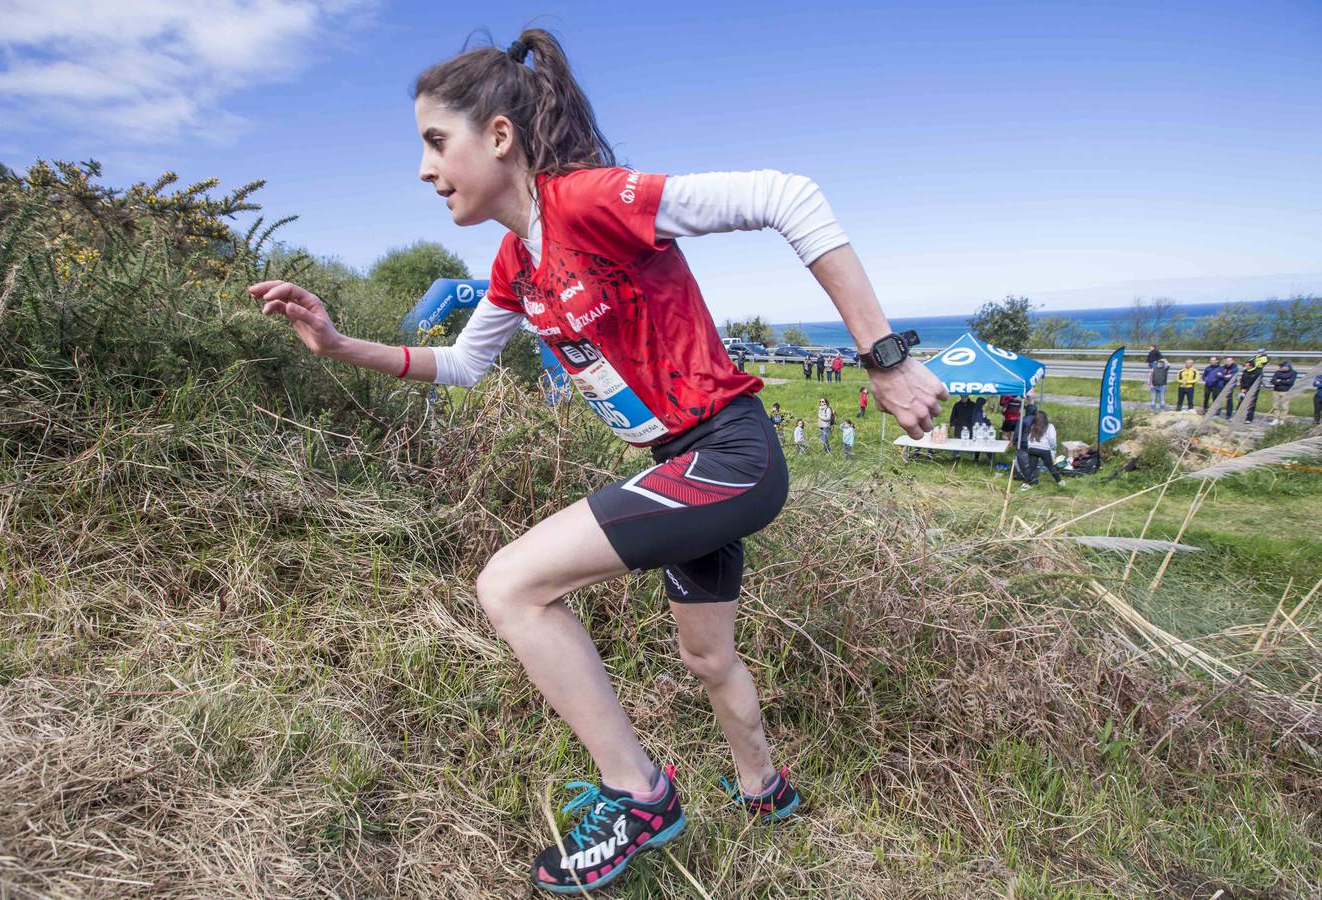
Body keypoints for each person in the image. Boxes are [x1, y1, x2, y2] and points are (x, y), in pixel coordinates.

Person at [250, 30, 948, 894]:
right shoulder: (516, 260)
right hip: (677, 462)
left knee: (510, 586)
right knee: (707, 657)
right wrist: (335, 342)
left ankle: (640, 796)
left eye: (436, 143)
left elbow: (786, 194)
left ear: (498, 137)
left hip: (728, 452)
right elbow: (464, 364)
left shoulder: (589, 202)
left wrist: (884, 358)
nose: (426, 171)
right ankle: (765, 790)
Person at [1020, 410, 1065, 489]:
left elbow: (1028, 438)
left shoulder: (1033, 426)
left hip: (1032, 448)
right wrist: (1053, 447)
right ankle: (1060, 482)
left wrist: (1030, 447)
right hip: (1044, 449)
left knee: (1031, 467)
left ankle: (1025, 484)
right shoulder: (1049, 426)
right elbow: (1052, 439)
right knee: (1050, 466)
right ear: (1045, 418)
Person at [1240, 349, 1269, 423]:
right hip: (1251, 370)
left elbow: (1263, 362)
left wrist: (1257, 359)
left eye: (1260, 352)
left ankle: (1249, 418)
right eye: (1258, 352)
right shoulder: (1254, 357)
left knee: (1252, 402)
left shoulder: (1264, 357)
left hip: (1258, 371)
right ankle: (1239, 415)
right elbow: (1250, 361)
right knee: (1242, 400)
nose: (1259, 353)